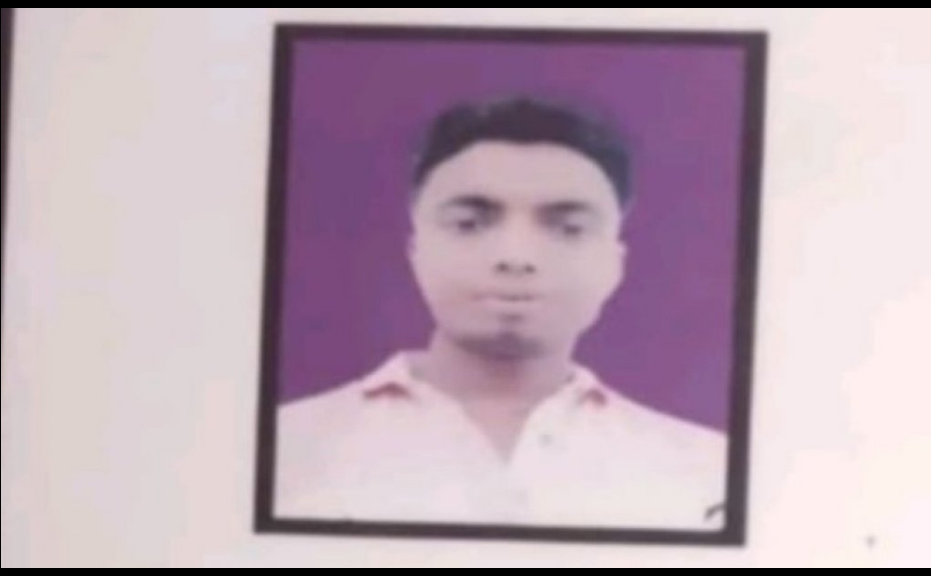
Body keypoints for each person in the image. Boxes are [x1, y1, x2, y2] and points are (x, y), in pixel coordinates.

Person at [275, 96, 727, 530]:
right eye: (469, 224)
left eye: (569, 228)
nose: (516, 257)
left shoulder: (710, 472)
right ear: (416, 252)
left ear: (615, 266)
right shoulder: (283, 449)